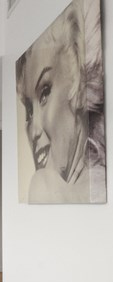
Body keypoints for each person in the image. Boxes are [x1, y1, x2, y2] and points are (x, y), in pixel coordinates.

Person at [15, 0, 105, 204]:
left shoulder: (42, 185)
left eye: (45, 93)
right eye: (29, 110)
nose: (34, 130)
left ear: (80, 87)